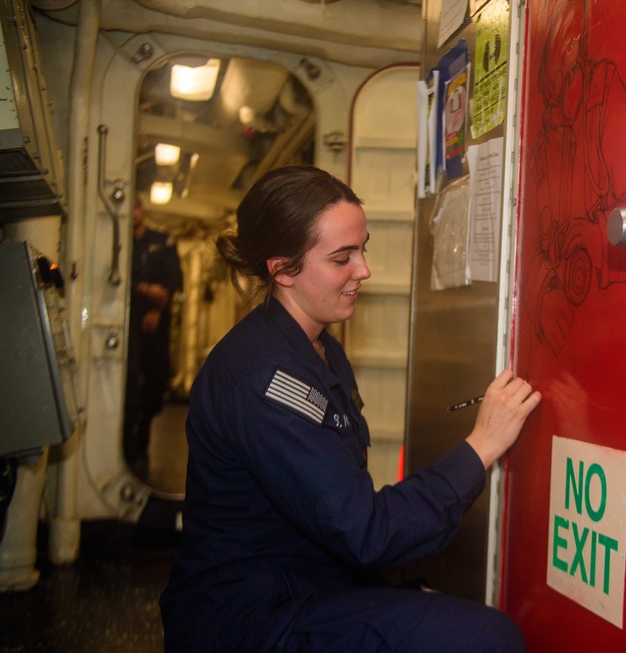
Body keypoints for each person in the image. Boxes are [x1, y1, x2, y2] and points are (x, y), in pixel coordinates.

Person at [159, 165, 542, 652]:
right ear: (282, 270)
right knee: (488, 639)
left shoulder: (320, 350)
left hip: (305, 588)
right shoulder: (264, 379)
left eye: (363, 248)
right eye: (343, 257)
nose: (363, 269)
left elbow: (338, 512)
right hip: (249, 622)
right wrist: (480, 446)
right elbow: (366, 529)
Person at [124, 198, 182, 470]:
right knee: (129, 379)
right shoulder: (121, 244)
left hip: (157, 322)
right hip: (128, 322)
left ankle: (143, 434)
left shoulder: (162, 240)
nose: (132, 214)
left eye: (135, 208)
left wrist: (157, 308)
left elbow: (173, 279)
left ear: (141, 211)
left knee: (156, 379)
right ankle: (128, 446)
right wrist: (145, 290)